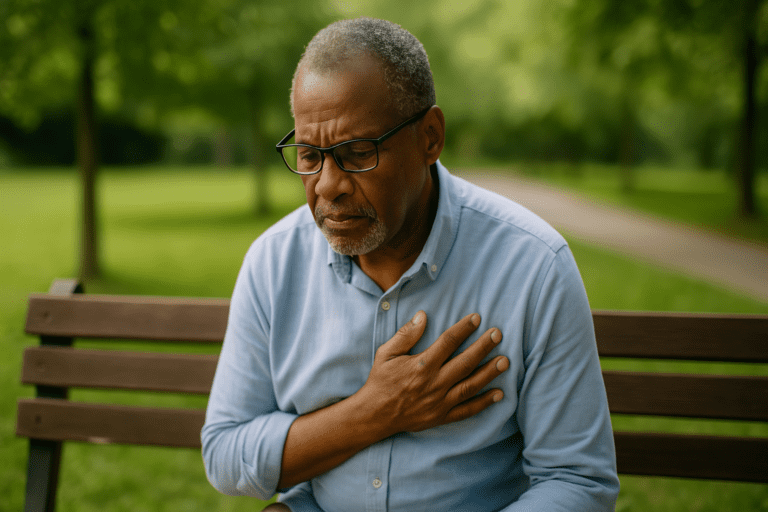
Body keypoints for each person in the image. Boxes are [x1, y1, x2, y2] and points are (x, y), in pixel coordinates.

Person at [202, 17, 619, 512]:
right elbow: (225, 452)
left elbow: (576, 480)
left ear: (430, 137)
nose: (328, 184)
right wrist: (374, 412)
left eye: (357, 153)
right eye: (310, 156)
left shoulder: (532, 266)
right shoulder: (274, 262)